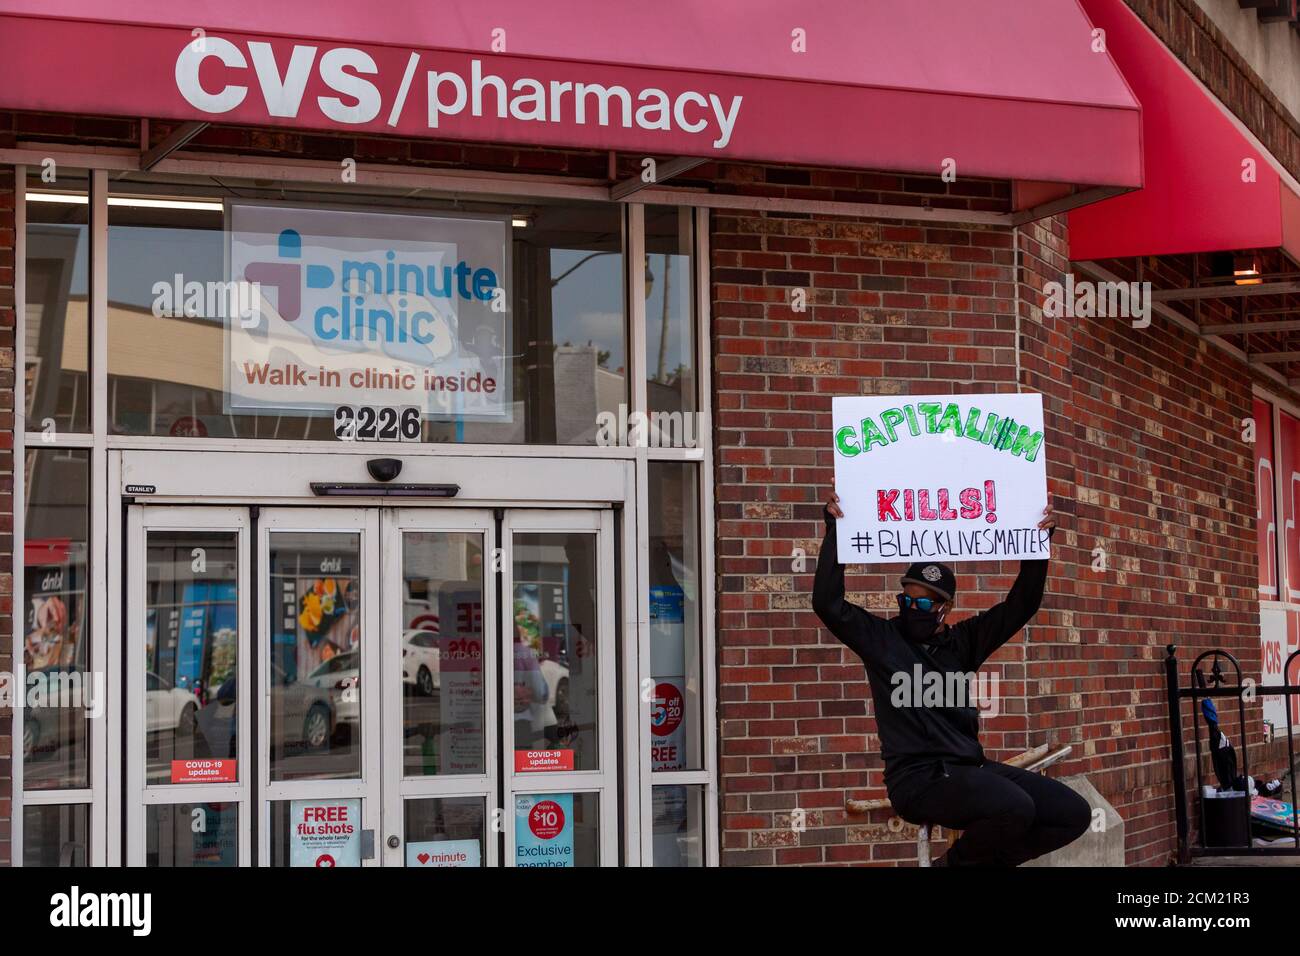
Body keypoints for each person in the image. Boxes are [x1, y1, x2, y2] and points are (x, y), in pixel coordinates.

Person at [812, 487, 1089, 867]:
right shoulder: (882, 641)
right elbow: (827, 604)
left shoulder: (964, 643)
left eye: (924, 602)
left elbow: (1021, 604)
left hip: (967, 769)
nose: (913, 608)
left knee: (1071, 813)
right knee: (1014, 807)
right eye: (906, 600)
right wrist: (835, 531)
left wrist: (1036, 542)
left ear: (944, 609)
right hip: (916, 781)